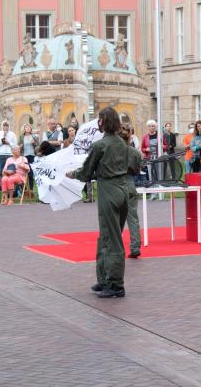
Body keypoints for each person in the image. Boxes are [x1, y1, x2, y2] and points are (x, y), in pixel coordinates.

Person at [67, 107, 135, 298]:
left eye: (100, 119)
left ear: (103, 122)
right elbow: (134, 163)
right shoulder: (123, 144)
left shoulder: (100, 145)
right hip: (123, 190)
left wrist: (72, 174)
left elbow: (86, 172)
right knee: (107, 236)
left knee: (111, 238)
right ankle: (104, 279)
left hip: (109, 192)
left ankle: (115, 284)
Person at [118, 123, 143, 258]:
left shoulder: (112, 152)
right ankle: (135, 246)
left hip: (116, 186)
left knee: (115, 220)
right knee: (133, 218)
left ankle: (116, 247)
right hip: (130, 184)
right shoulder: (134, 152)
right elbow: (137, 171)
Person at [20, 123, 38, 193]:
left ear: (31, 129)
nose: (27, 128)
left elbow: (37, 146)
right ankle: (24, 189)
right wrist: (21, 145)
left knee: (30, 173)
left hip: (32, 155)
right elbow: (19, 145)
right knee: (24, 172)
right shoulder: (22, 137)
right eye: (26, 127)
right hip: (24, 156)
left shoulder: (33, 136)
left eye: (29, 127)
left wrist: (34, 143)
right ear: (24, 129)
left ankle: (31, 189)